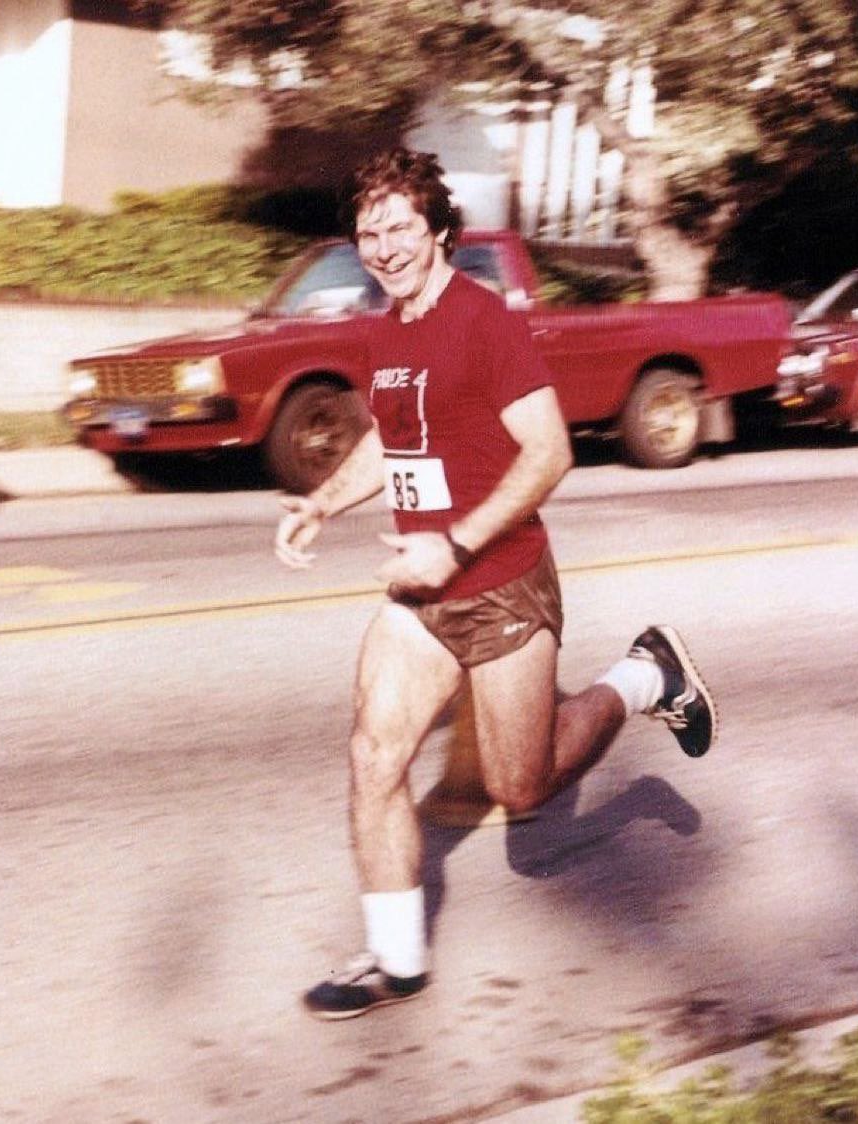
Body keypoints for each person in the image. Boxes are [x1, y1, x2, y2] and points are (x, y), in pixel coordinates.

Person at [274, 147, 716, 1021]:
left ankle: (645, 676)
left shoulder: (485, 322)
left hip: (504, 583)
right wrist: (320, 502)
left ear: (439, 230)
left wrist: (458, 543)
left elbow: (549, 453)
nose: (385, 246)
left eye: (401, 227)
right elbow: (389, 442)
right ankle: (395, 961)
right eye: (369, 232)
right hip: (422, 596)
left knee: (523, 786)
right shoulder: (384, 331)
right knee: (373, 756)